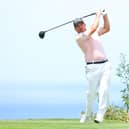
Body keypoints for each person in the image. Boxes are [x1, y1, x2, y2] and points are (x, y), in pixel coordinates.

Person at [73, 10, 112, 123]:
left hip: (105, 65)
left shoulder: (93, 32)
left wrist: (105, 16)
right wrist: (98, 15)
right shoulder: (79, 37)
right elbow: (93, 28)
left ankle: (100, 115)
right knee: (90, 94)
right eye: (77, 26)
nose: (79, 27)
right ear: (75, 29)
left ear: (84, 24)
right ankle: (87, 114)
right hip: (92, 68)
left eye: (81, 24)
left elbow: (107, 28)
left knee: (104, 90)